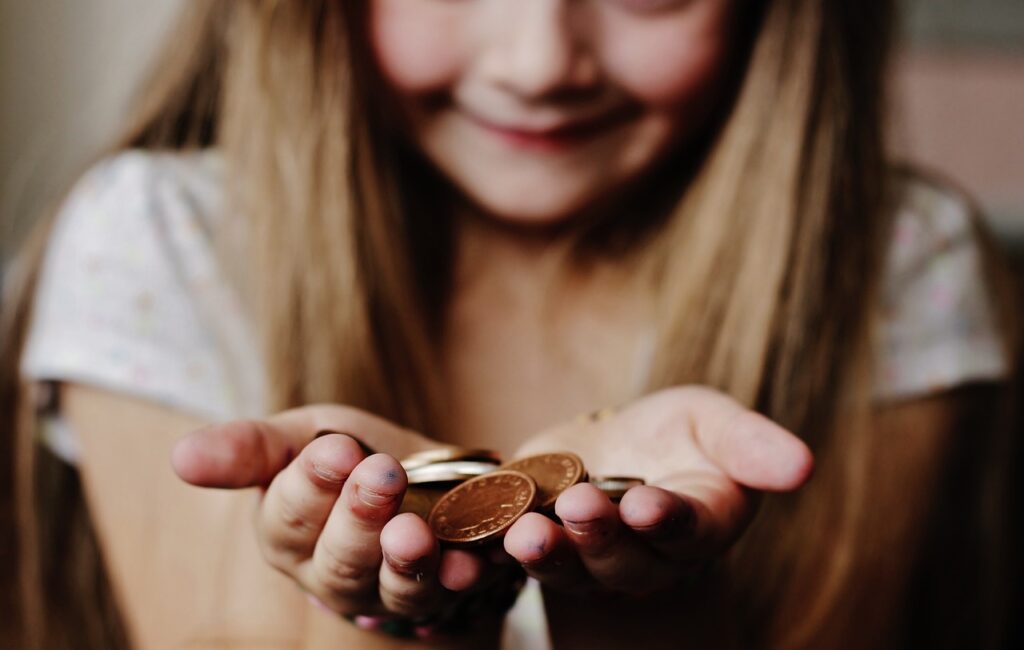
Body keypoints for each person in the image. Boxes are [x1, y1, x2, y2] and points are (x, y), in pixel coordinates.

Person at [2, 0, 1019, 648]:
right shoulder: (160, 242)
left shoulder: (894, 259)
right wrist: (391, 620)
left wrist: (641, 608)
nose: (539, 60)